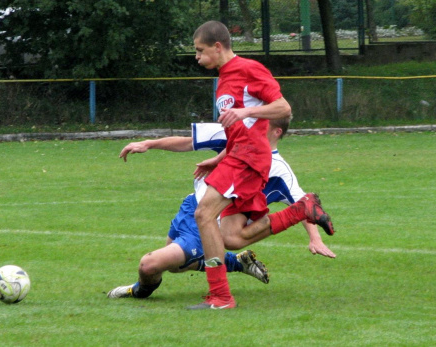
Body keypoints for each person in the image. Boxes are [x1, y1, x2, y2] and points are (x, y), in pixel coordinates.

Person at [189, 21, 334, 310]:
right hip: (237, 155)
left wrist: (245, 110)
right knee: (231, 237)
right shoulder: (224, 78)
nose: (197, 57)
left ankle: (221, 297)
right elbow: (240, 128)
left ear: (218, 47)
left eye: (200, 50)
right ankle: (301, 210)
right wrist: (218, 158)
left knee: (204, 214)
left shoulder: (248, 69)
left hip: (249, 157)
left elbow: (284, 108)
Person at [107, 118, 335, 300]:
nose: (253, 125)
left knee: (149, 265)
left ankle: (137, 291)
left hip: (211, 225)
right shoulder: (236, 134)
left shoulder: (279, 170)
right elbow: (189, 142)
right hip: (190, 207)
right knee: (175, 267)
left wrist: (315, 238)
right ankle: (236, 262)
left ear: (276, 132)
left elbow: (303, 203)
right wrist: (148, 144)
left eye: (261, 124)